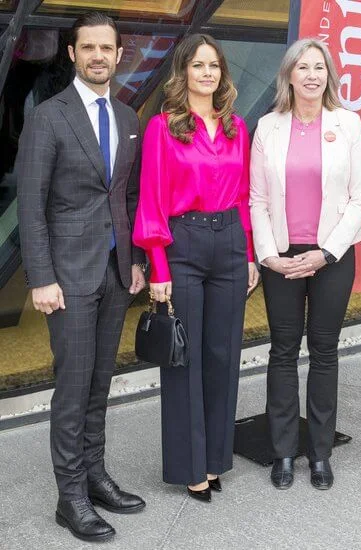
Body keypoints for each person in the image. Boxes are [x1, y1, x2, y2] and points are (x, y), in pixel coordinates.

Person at [16, 12, 146, 543]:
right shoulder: (48, 117)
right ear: (72, 54)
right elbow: (30, 204)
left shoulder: (127, 114)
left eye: (106, 48)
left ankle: (94, 475)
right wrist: (40, 277)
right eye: (87, 47)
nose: (97, 56)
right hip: (66, 276)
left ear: (119, 55)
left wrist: (135, 260)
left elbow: (128, 196)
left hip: (116, 271)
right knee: (72, 386)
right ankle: (69, 497)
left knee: (100, 381)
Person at [133, 34, 259, 503]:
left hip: (228, 241)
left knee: (224, 355)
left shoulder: (236, 127)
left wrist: (246, 253)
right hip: (182, 243)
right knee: (184, 359)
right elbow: (151, 201)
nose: (207, 73)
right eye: (198, 65)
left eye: (214, 66)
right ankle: (190, 466)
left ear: (222, 73)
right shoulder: (163, 128)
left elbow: (244, 195)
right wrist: (158, 267)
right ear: (183, 71)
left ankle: (215, 458)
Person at [250, 38, 361, 490]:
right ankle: (283, 452)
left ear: (329, 75)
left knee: (324, 352)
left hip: (332, 256)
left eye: (318, 67)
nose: (311, 75)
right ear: (289, 75)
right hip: (281, 257)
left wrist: (327, 252)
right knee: (282, 352)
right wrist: (269, 257)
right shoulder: (268, 126)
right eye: (302, 67)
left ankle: (319, 453)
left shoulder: (348, 123)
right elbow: (258, 199)